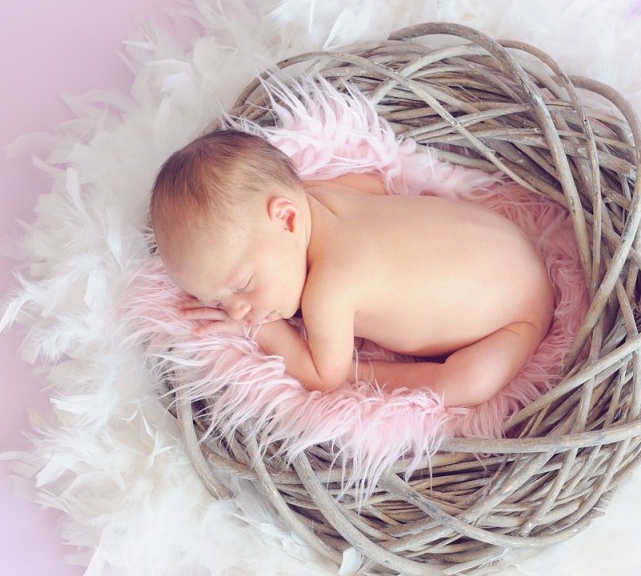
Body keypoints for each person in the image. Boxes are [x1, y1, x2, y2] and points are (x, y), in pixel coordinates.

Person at [150, 129, 554, 407]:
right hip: (505, 237)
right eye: (216, 301)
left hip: (517, 318)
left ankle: (372, 372)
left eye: (243, 285)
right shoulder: (318, 195)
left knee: (465, 383)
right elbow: (375, 186)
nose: (237, 310)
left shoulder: (329, 289)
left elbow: (324, 375)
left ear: (287, 219)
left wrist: (267, 331)